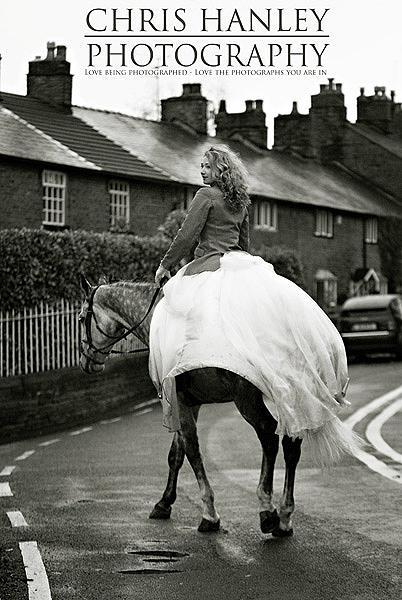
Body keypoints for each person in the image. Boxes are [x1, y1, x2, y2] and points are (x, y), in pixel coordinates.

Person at [149, 145, 349, 439]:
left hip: (208, 265)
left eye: (207, 166)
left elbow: (187, 235)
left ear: (221, 170)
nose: (201, 170)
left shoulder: (204, 196)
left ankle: (188, 367)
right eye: (201, 165)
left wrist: (165, 265)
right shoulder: (241, 201)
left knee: (177, 313)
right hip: (239, 263)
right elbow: (243, 244)